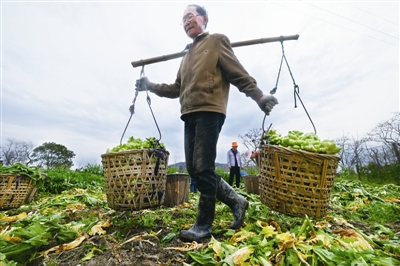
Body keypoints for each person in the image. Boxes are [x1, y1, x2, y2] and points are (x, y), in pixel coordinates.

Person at [134, 4, 278, 242]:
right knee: (195, 169)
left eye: (190, 16)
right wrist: (150, 86)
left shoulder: (217, 42)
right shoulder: (186, 56)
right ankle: (237, 201)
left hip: (210, 110)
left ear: (204, 19)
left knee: (203, 167)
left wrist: (259, 96)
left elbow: (237, 73)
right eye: (183, 20)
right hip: (188, 113)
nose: (186, 22)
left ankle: (203, 225)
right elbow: (176, 88)